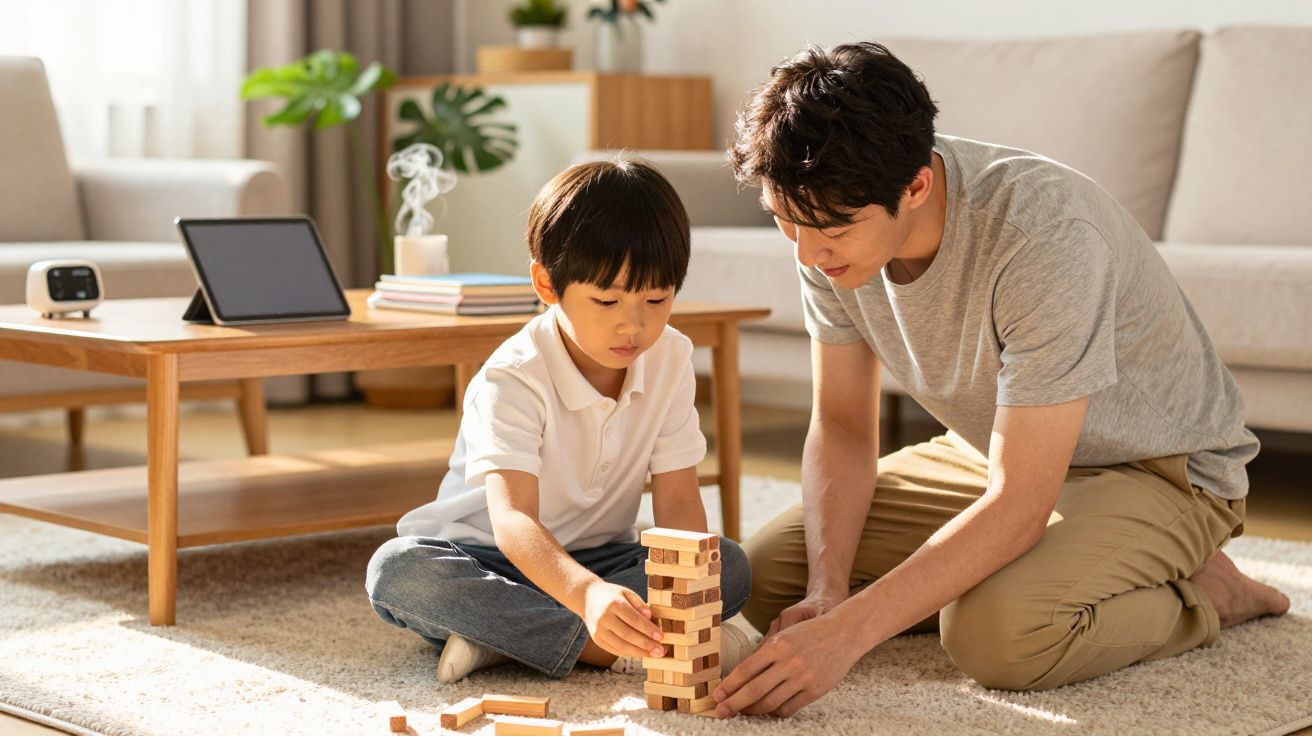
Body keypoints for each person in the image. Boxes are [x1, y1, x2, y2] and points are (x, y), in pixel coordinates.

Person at [710, 41, 1289, 718]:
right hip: (998, 446)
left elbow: (1020, 502)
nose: (807, 253)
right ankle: (1019, 568)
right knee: (767, 580)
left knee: (996, 636)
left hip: (1158, 468)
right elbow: (840, 424)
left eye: (831, 229)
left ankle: (1208, 595)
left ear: (917, 186)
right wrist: (829, 594)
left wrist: (850, 632)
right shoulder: (826, 220)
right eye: (785, 222)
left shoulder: (1042, 236)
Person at [365, 158, 753, 683]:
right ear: (547, 285)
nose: (633, 325)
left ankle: (503, 639)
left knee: (726, 564)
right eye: (607, 300)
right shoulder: (513, 376)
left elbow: (679, 501)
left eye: (657, 299)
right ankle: (603, 648)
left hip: (603, 558)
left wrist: (690, 593)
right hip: (490, 558)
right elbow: (513, 522)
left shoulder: (671, 358)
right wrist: (587, 596)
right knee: (398, 572)